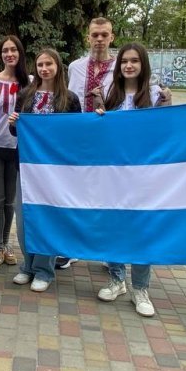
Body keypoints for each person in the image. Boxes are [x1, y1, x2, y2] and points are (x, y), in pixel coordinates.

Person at [94, 42, 172, 316]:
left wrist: (167, 107)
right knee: (114, 225)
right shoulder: (109, 93)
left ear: (143, 65)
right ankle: (117, 280)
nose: (129, 65)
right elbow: (101, 135)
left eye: (134, 61)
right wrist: (98, 117)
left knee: (142, 230)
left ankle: (140, 288)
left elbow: (165, 133)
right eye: (125, 61)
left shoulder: (156, 95)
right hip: (114, 175)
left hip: (144, 176)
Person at [8, 48, 81, 292]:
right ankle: (27, 266)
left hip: (54, 172)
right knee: (24, 220)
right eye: (40, 65)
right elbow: (16, 132)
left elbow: (76, 134)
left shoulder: (69, 99)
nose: (44, 69)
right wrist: (13, 123)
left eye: (49, 64)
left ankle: (44, 270)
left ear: (58, 67)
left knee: (47, 219)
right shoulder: (26, 95)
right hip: (26, 168)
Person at [60, 16, 117, 269]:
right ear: (88, 38)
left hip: (108, 140)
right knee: (75, 194)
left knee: (106, 195)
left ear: (112, 37)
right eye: (95, 35)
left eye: (104, 35)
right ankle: (71, 248)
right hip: (78, 140)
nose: (99, 39)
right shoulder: (75, 67)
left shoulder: (120, 67)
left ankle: (107, 250)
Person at [0, 35, 30, 272]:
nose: (9, 54)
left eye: (13, 50)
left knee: (10, 201)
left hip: (18, 148)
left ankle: (5, 244)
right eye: (5, 50)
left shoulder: (30, 82)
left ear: (20, 53)